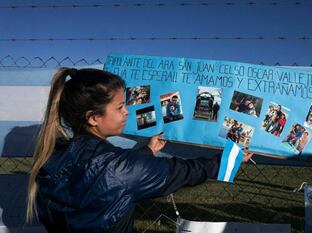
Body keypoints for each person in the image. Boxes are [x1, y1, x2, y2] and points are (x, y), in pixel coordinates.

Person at [26, 68, 253, 233]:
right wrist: (227, 159)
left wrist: (146, 152)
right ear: (94, 118)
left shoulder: (50, 158)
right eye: (119, 107)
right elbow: (183, 171)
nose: (127, 112)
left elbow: (111, 175)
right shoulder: (117, 167)